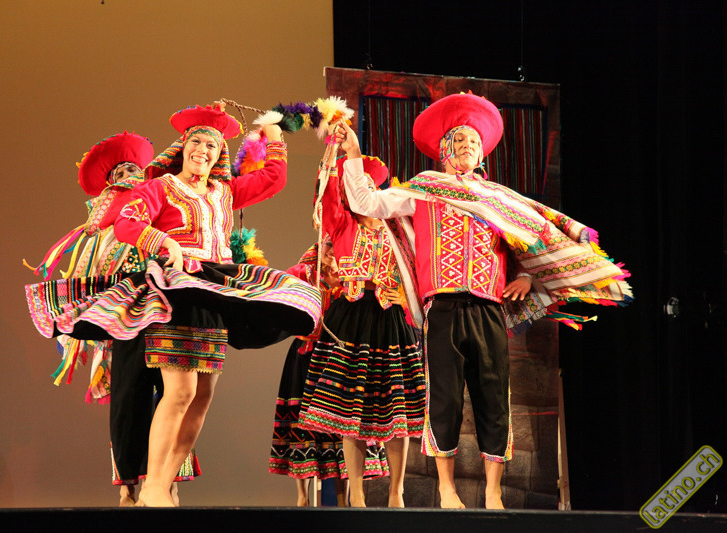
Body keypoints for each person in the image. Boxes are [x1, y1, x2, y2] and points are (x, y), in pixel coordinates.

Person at [337, 92, 631, 509]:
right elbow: (367, 202)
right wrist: (353, 154)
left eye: (474, 142)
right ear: (444, 149)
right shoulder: (424, 189)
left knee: (493, 399)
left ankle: (493, 492)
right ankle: (447, 489)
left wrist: (527, 275)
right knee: (444, 398)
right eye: (459, 140)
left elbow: (530, 240)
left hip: (488, 308)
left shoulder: (497, 198)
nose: (468, 147)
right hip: (442, 307)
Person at [26, 104, 322, 507]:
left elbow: (274, 178)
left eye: (212, 145)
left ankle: (161, 484)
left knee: (201, 396)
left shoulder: (225, 192)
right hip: (176, 293)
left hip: (214, 294)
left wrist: (273, 134)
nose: (203, 150)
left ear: (219, 155)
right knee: (180, 391)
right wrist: (164, 241)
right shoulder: (161, 187)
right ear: (183, 148)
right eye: (196, 142)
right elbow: (127, 223)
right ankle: (150, 485)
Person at [37, 131, 200, 506]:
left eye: (133, 169)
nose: (129, 176)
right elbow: (90, 269)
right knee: (128, 399)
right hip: (124, 315)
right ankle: (128, 486)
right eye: (121, 172)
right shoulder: (102, 224)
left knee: (173, 395)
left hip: (165, 308)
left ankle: (166, 482)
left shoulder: (159, 205)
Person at [297, 155, 426, 508]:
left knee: (397, 411)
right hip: (351, 317)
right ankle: (357, 493)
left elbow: (421, 263)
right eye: (357, 187)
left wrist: (409, 298)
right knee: (349, 411)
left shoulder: (399, 227)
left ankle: (396, 492)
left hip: (391, 319)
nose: (364, 191)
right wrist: (333, 161)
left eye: (370, 186)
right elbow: (327, 201)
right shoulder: (342, 223)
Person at [269, 241, 389, 506]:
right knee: (301, 421)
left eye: (337, 248)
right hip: (306, 354)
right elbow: (284, 294)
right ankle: (302, 497)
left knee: (341, 423)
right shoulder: (306, 274)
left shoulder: (351, 280)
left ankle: (344, 497)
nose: (332, 254)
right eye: (328, 248)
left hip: (338, 356)